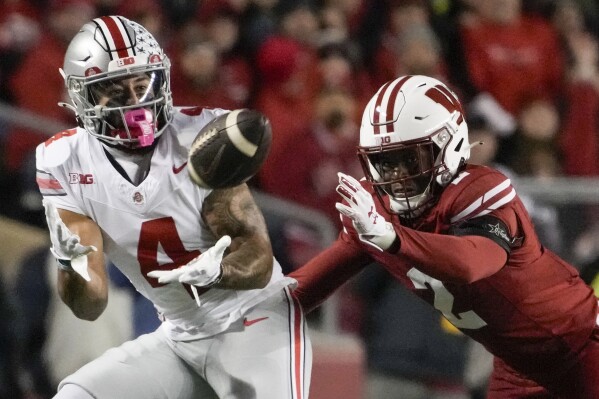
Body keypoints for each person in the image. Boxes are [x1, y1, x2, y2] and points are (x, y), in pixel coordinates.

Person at [35, 15, 311, 399]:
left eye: (143, 83)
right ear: (83, 96)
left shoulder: (201, 138)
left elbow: (259, 259)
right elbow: (90, 305)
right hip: (179, 335)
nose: (137, 102)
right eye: (115, 90)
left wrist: (219, 270)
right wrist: (70, 267)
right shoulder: (64, 159)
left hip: (253, 321)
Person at [289, 75, 599, 398]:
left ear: (448, 145)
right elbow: (300, 292)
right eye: (384, 162)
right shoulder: (374, 211)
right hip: (518, 365)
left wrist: (392, 239)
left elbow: (472, 262)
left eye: (409, 159)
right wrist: (248, 300)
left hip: (580, 343)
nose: (396, 176)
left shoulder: (480, 189)